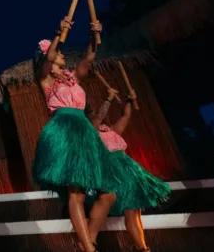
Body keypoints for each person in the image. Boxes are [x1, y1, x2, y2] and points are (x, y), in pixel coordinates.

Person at [31, 17, 119, 252]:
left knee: (108, 194)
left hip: (84, 132)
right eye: (58, 51)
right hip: (64, 129)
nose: (61, 54)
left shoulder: (73, 78)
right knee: (76, 192)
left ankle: (87, 240)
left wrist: (93, 36)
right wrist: (59, 33)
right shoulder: (46, 79)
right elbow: (49, 58)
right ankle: (89, 249)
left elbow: (89, 58)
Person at [85, 88, 170, 252]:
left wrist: (129, 101)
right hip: (113, 172)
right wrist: (108, 99)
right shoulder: (89, 132)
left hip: (130, 172)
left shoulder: (111, 131)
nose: (95, 116)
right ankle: (89, 242)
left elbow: (126, 116)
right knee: (127, 209)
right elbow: (97, 118)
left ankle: (142, 248)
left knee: (134, 211)